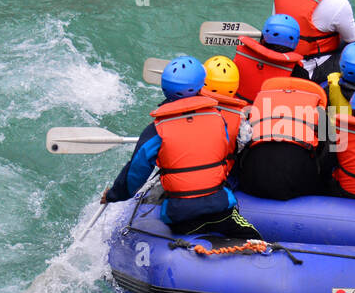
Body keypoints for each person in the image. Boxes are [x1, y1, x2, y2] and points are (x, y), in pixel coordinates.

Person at [102, 56, 260, 238]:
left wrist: (114, 195)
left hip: (182, 217)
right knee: (254, 238)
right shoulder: (219, 119)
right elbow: (222, 151)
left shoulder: (156, 130)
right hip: (220, 209)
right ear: (202, 87)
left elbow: (134, 174)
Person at [235, 77, 329, 201]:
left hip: (251, 180)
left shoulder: (257, 105)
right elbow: (328, 153)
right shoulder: (318, 109)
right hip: (296, 183)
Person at [233, 13, 310, 102]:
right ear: (294, 44)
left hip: (238, 110)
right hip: (269, 114)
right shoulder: (299, 72)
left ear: (263, 38)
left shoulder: (242, 55)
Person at [200, 55, 247, 175]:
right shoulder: (240, 117)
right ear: (235, 86)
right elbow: (244, 144)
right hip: (220, 174)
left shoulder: (189, 105)